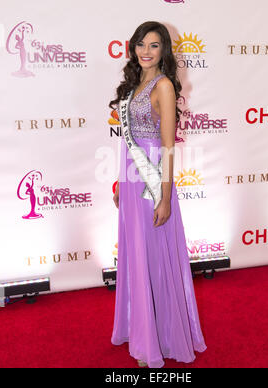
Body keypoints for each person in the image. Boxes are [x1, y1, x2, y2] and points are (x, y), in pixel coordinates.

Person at [110, 21, 207, 368]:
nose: (145, 51)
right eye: (140, 44)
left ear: (164, 50)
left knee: (156, 255)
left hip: (152, 178)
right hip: (131, 175)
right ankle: (141, 328)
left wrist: (165, 197)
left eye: (153, 45)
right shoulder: (134, 84)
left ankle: (160, 337)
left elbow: (167, 146)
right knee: (137, 254)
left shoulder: (163, 86)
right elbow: (126, 139)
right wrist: (121, 182)